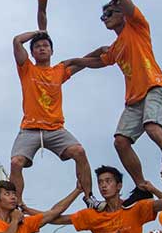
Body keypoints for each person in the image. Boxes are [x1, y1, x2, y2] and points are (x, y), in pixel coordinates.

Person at [67, 0, 162, 207]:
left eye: (109, 13)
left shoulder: (137, 27)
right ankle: (142, 187)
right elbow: (97, 61)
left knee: (153, 129)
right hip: (134, 99)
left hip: (153, 86)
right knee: (120, 141)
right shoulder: (116, 47)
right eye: (102, 16)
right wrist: (74, 61)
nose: (105, 19)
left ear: (121, 12)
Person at [10, 30, 98, 209]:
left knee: (79, 152)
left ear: (52, 51)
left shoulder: (59, 71)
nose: (42, 49)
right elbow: (17, 41)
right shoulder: (27, 69)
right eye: (37, 47)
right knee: (15, 162)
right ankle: (16, 205)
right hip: (30, 128)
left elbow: (82, 63)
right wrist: (38, 32)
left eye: (45, 46)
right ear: (32, 53)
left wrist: (100, 52)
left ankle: (89, 197)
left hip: (55, 128)